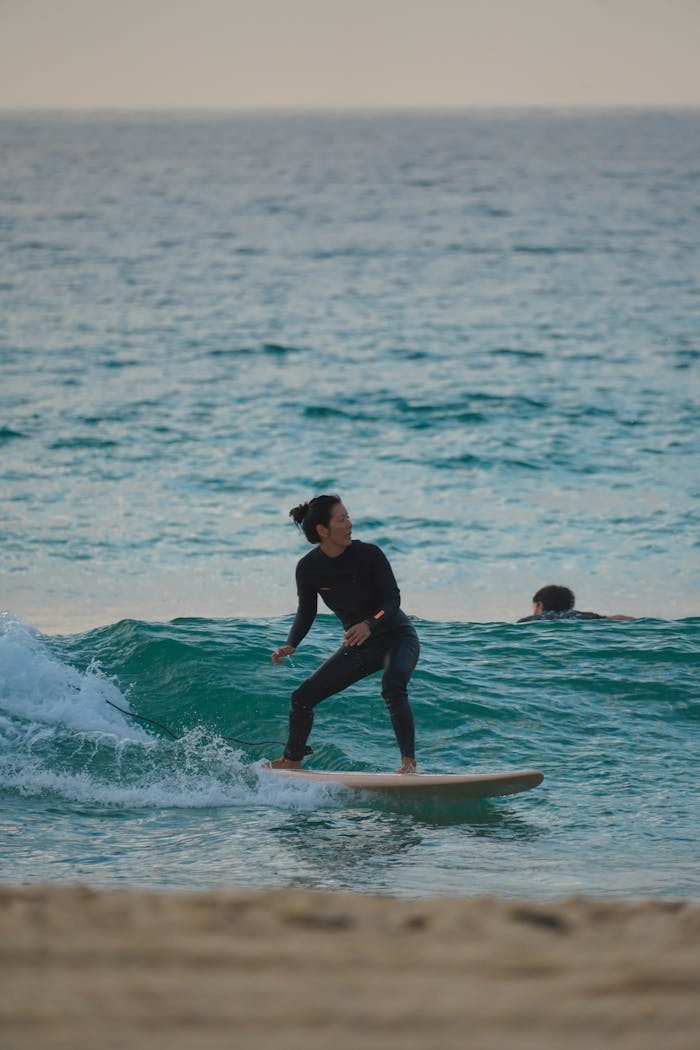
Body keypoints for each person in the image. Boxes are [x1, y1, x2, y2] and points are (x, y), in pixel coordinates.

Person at [270, 495, 420, 773]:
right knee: (302, 697)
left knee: (393, 685)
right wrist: (291, 643)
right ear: (322, 531)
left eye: (348, 517)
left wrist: (369, 623)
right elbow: (306, 611)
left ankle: (408, 765)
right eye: (342, 519)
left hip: (397, 637)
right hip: (361, 647)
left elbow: (392, 600)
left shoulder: (370, 554)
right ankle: (292, 760)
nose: (350, 524)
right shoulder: (308, 567)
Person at [517, 585, 634, 623]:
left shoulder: (528, 622)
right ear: (571, 604)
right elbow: (621, 618)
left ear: (539, 605)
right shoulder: (584, 617)